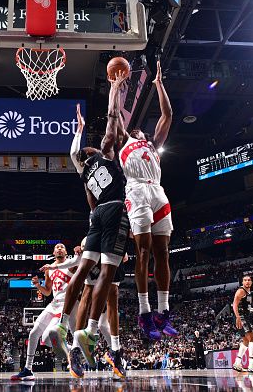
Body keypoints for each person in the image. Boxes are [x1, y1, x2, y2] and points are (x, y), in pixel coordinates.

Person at [51, 70, 129, 379]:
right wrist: (113, 88)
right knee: (109, 289)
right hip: (113, 215)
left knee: (88, 281)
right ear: (94, 150)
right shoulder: (106, 153)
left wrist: (79, 128)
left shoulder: (84, 173)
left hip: (95, 221)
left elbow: (72, 152)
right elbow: (112, 118)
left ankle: (70, 334)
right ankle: (93, 336)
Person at [115, 60, 176, 340]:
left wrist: (160, 84)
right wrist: (116, 87)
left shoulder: (153, 144)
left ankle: (163, 312)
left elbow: (167, 114)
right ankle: (144, 312)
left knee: (163, 253)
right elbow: (115, 115)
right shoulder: (124, 141)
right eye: (136, 130)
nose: (139, 130)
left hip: (158, 190)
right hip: (137, 190)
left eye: (141, 130)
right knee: (143, 251)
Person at [42, 237, 128, 378]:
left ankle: (115, 351)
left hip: (111, 252)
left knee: (106, 314)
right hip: (100, 249)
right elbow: (76, 261)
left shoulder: (118, 230)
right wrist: (54, 266)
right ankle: (75, 349)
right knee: (87, 292)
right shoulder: (93, 236)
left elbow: (125, 257)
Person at [11, 243, 78, 381]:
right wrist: (37, 285)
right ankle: (28, 369)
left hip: (65, 305)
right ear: (53, 252)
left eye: (62, 247)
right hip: (53, 304)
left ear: (66, 252)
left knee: (48, 338)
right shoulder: (49, 269)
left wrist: (79, 253)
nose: (59, 248)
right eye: (57, 247)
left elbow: (81, 262)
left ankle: (72, 349)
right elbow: (47, 292)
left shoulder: (71, 264)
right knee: (34, 334)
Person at [232, 274, 253, 373]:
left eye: (249, 280)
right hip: (241, 317)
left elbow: (248, 307)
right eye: (245, 280)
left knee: (246, 341)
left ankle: (237, 363)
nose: (247, 281)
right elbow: (234, 304)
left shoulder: (248, 292)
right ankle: (252, 365)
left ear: (251, 282)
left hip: (243, 316)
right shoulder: (241, 291)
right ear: (242, 282)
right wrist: (238, 317)